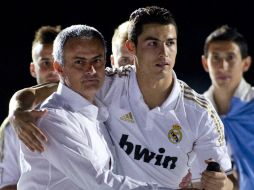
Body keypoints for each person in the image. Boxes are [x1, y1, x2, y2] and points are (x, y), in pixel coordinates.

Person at [8, 6, 233, 189]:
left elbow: (226, 181)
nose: (163, 53)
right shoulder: (105, 86)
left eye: (170, 43)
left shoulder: (199, 112)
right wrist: (17, 110)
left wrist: (220, 186)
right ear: (131, 47)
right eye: (152, 43)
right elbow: (101, 183)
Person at [0, 25, 60, 190]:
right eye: (45, 63)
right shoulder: (13, 125)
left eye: (58, 62)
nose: (53, 70)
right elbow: (7, 184)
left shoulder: (93, 108)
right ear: (33, 69)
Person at [198, 25, 254, 190]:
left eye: (230, 57)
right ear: (205, 63)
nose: (223, 65)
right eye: (215, 57)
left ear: (245, 63)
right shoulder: (195, 111)